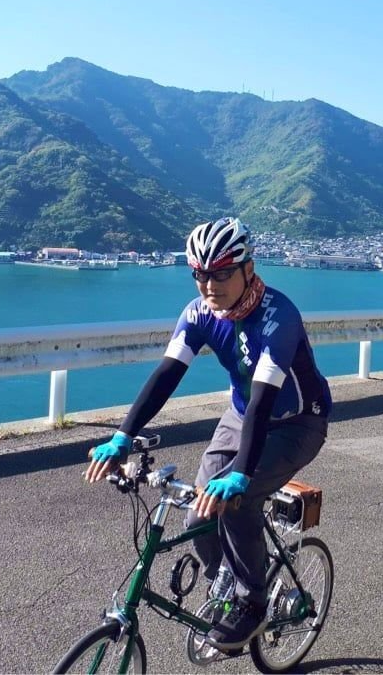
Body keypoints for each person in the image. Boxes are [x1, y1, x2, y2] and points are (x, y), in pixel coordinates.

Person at [83, 217, 331, 651]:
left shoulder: (278, 317)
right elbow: (167, 374)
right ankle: (230, 577)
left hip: (296, 423)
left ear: (247, 270)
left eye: (220, 273)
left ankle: (252, 601)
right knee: (198, 517)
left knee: (236, 501)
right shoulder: (199, 312)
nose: (208, 285)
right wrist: (124, 435)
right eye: (199, 274)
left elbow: (262, 400)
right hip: (240, 418)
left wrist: (240, 476)